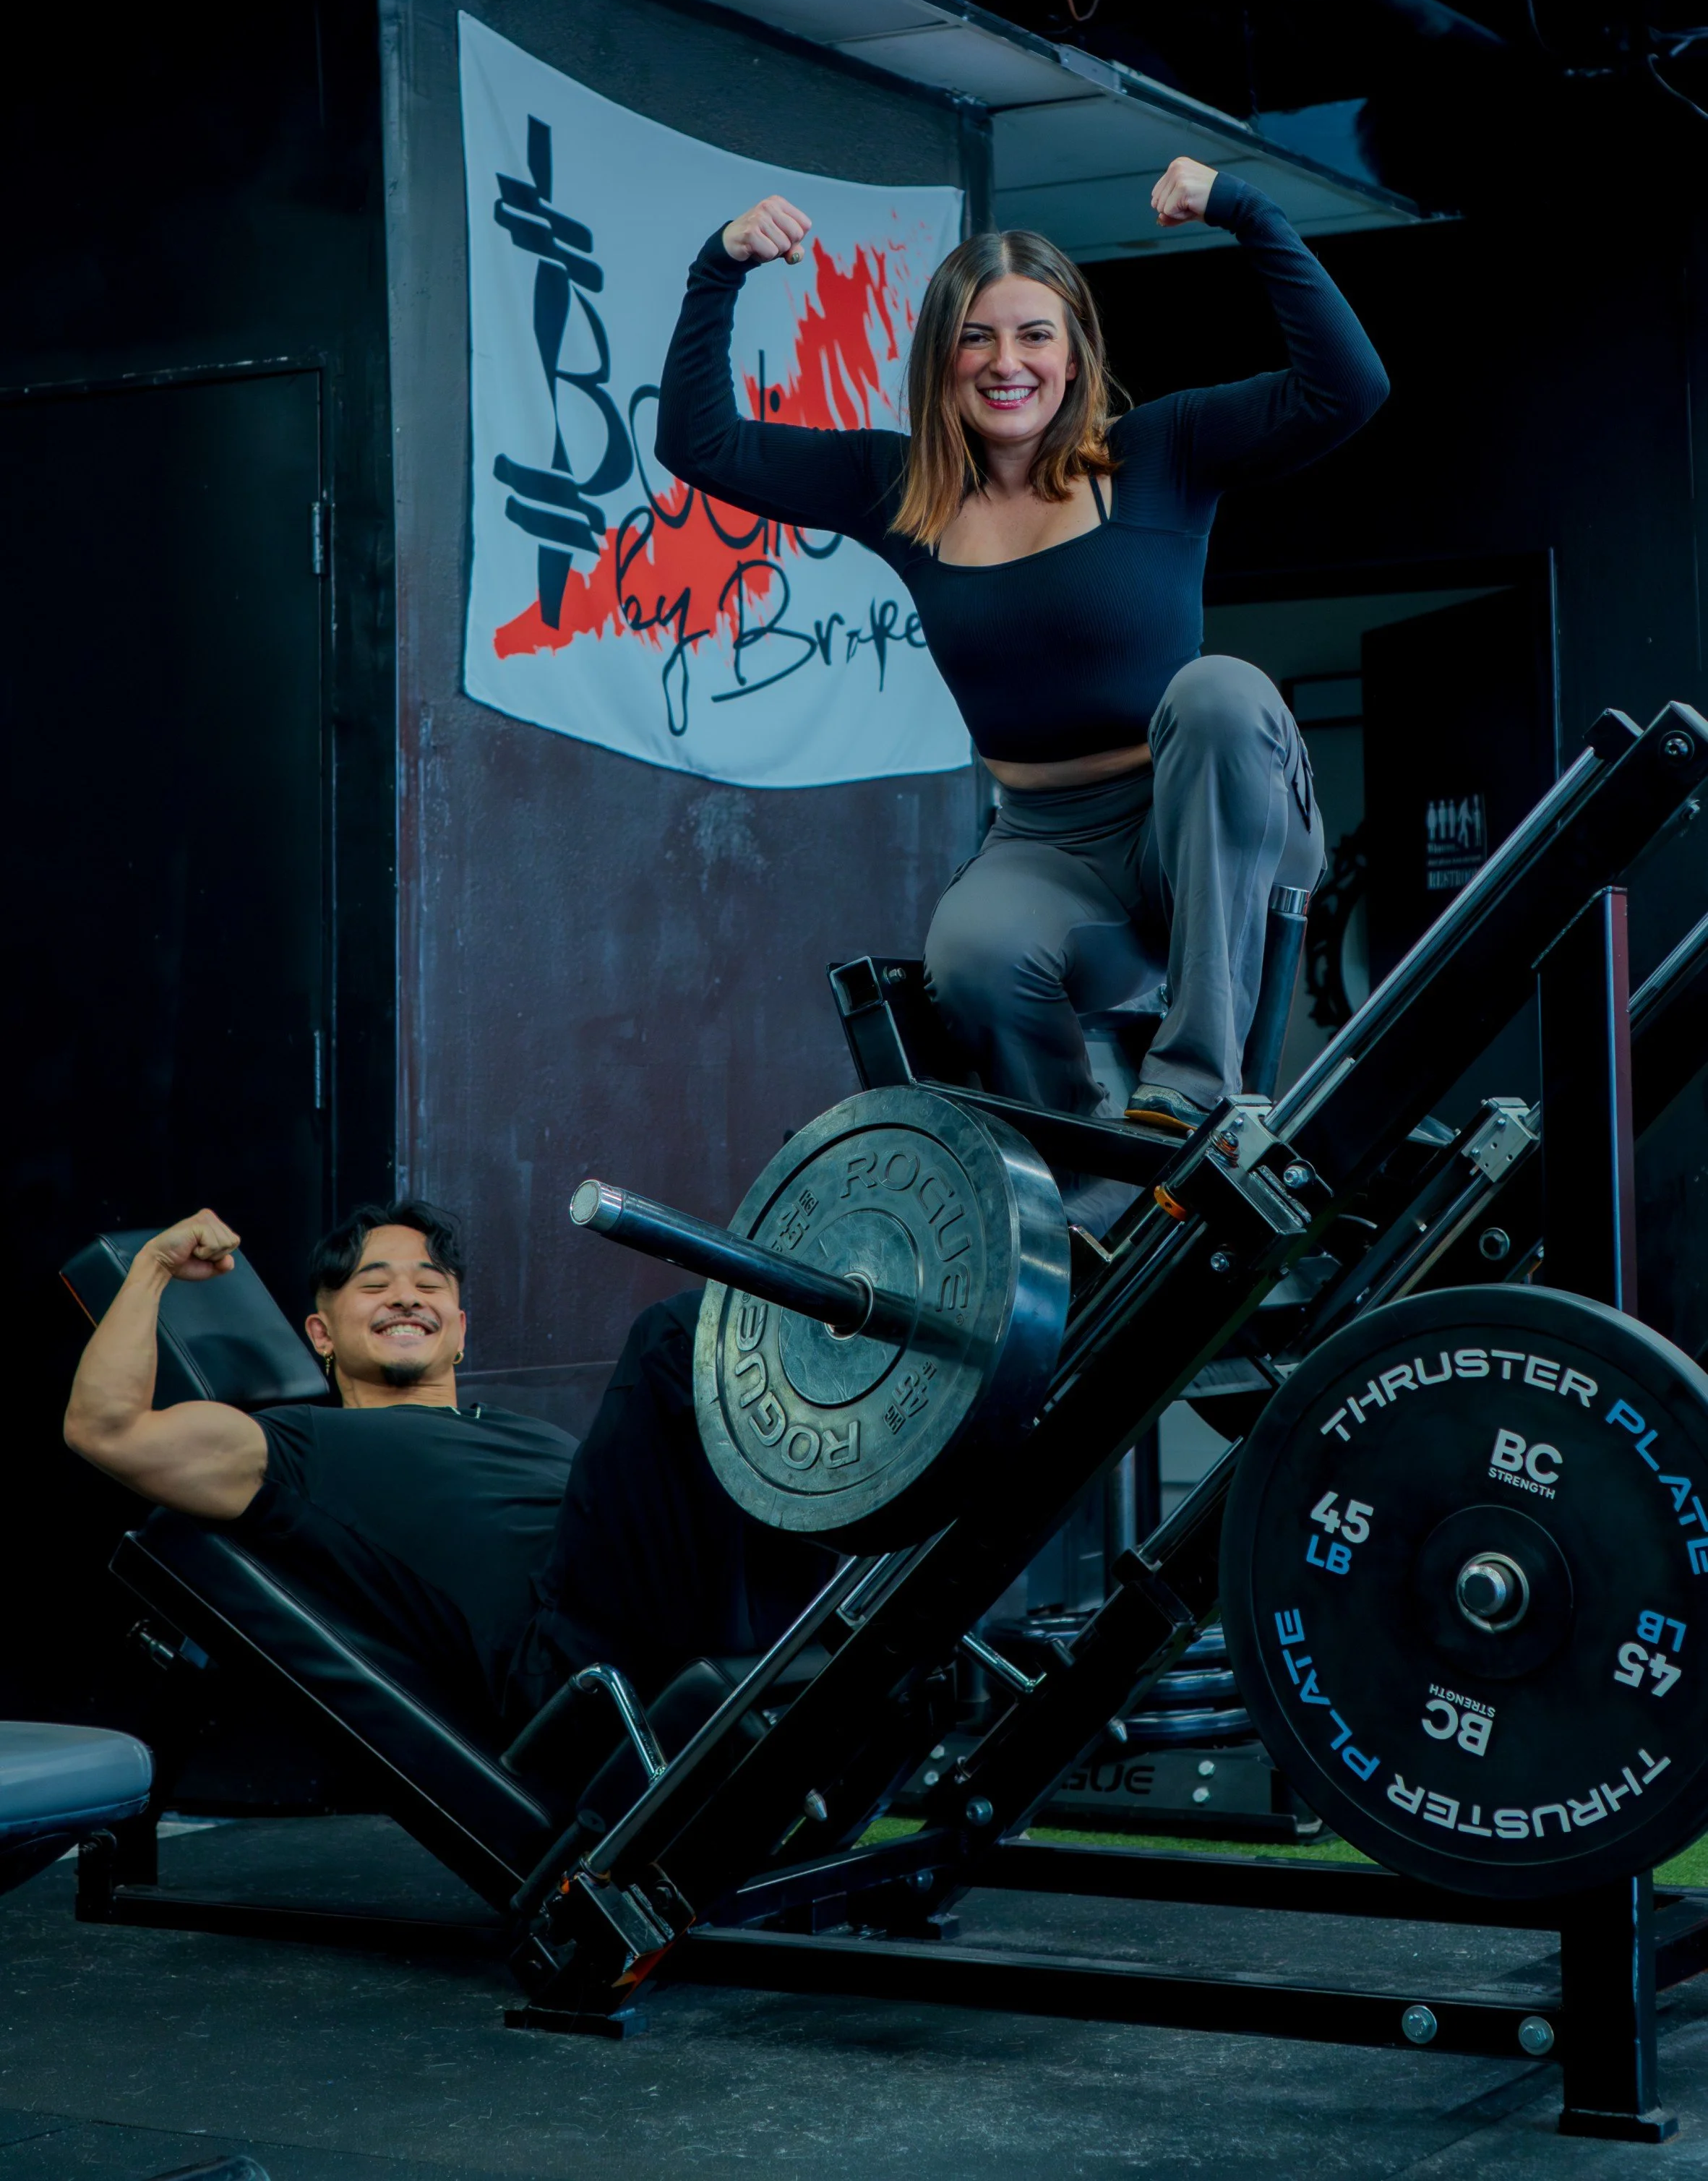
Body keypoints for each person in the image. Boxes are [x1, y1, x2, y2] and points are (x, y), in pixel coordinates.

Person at [656, 156, 1387, 1143]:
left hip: (1208, 813)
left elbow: (1347, 389)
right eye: (977, 338)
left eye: (1034, 335)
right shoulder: (899, 489)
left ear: (1074, 354)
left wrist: (1243, 211)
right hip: (1050, 842)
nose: (1007, 361)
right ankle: (1080, 1202)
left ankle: (1193, 1080)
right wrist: (719, 267)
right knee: (972, 952)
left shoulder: (1159, 453)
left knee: (1219, 692)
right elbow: (698, 443)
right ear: (941, 361)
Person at [64, 1201, 835, 1752]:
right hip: (573, 1665)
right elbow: (107, 1429)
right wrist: (155, 1268)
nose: (406, 1295)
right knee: (677, 1340)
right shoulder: (297, 1447)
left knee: (805, 1502)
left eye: (431, 1285)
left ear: (459, 1330)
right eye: (374, 1284)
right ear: (321, 1335)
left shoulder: (521, 1432)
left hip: (695, 1621)